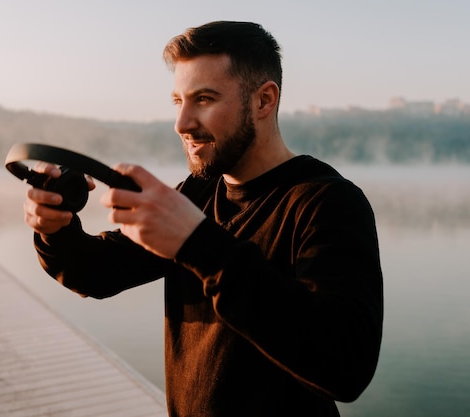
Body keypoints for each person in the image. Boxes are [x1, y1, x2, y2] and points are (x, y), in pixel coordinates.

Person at [23, 21, 383, 417]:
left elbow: (346, 368)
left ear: (264, 100)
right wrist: (55, 231)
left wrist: (197, 243)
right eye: (178, 101)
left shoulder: (326, 202)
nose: (182, 123)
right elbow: (95, 273)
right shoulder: (196, 193)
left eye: (204, 99)